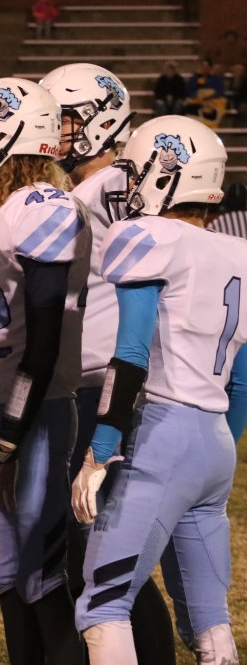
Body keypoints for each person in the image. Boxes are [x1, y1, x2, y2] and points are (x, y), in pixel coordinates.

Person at [73, 115, 244, 665]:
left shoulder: (146, 237)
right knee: (210, 620)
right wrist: (218, 444)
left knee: (102, 604)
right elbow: (243, 376)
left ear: (166, 173)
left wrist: (100, 451)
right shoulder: (237, 250)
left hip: (164, 433)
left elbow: (130, 355)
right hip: (215, 442)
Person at [40, 62, 176, 665]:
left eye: (65, 120)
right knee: (100, 553)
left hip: (110, 383)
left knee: (100, 555)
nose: (55, 133)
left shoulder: (113, 188)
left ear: (102, 119)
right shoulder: (97, 189)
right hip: (108, 377)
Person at [0, 77, 90, 664]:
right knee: (9, 573)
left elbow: (44, 341)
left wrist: (9, 438)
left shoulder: (43, 208)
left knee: (43, 575)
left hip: (36, 411)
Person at [184, 58, 226, 126]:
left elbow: (220, 91)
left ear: (210, 68)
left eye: (207, 67)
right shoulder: (195, 78)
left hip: (212, 103)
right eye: (203, 67)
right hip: (197, 102)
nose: (205, 69)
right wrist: (198, 96)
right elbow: (189, 91)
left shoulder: (216, 78)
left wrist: (209, 96)